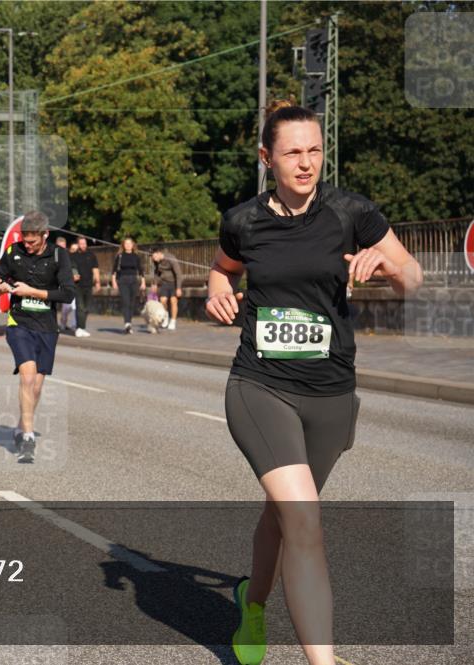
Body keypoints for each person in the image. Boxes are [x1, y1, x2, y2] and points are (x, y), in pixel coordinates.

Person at [206, 100, 422, 665]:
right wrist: (215, 292)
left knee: (285, 516)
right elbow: (224, 268)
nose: (306, 163)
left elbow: (413, 278)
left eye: (315, 150)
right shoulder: (243, 221)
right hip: (260, 385)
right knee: (303, 519)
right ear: (266, 158)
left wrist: (387, 264)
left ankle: (251, 604)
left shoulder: (352, 212)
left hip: (330, 393)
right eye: (293, 152)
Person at [0, 211, 75, 463]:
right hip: (19, 322)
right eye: (25, 240)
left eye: (32, 242)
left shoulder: (59, 255)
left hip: (46, 326)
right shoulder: (13, 252)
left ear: (45, 235)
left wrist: (34, 292)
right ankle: (28, 436)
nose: (27, 245)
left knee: (36, 385)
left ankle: (19, 426)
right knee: (27, 376)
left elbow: (67, 294)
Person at [111, 237, 146, 334]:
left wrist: (143, 282)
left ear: (132, 245)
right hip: (123, 280)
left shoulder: (136, 256)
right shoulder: (120, 256)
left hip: (134, 280)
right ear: (123, 245)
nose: (128, 245)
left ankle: (129, 324)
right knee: (125, 301)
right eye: (126, 243)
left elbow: (141, 270)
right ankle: (126, 323)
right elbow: (114, 270)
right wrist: (114, 281)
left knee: (131, 303)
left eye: (129, 243)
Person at [70, 237, 99, 337]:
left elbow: (95, 269)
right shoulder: (73, 256)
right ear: (78, 244)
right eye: (81, 243)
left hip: (89, 284)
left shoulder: (91, 255)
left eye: (84, 243)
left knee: (87, 308)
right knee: (80, 307)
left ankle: (82, 327)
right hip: (77, 285)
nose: (83, 245)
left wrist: (98, 281)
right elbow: (71, 267)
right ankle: (79, 328)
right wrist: (74, 275)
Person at [150, 246, 182, 330]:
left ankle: (173, 320)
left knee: (173, 301)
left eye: (154, 257)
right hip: (164, 283)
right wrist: (155, 284)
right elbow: (157, 273)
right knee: (163, 300)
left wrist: (178, 288)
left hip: (174, 283)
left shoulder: (171, 259)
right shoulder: (157, 262)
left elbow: (178, 274)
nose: (153, 259)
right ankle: (166, 316)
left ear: (159, 253)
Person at [59, 238, 77, 332]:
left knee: (72, 305)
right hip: (58, 283)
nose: (63, 248)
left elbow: (73, 266)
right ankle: (62, 323)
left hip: (68, 283)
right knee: (65, 307)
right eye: (60, 246)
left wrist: (75, 273)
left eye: (64, 246)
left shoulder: (68, 255)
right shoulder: (52, 254)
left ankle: (73, 325)